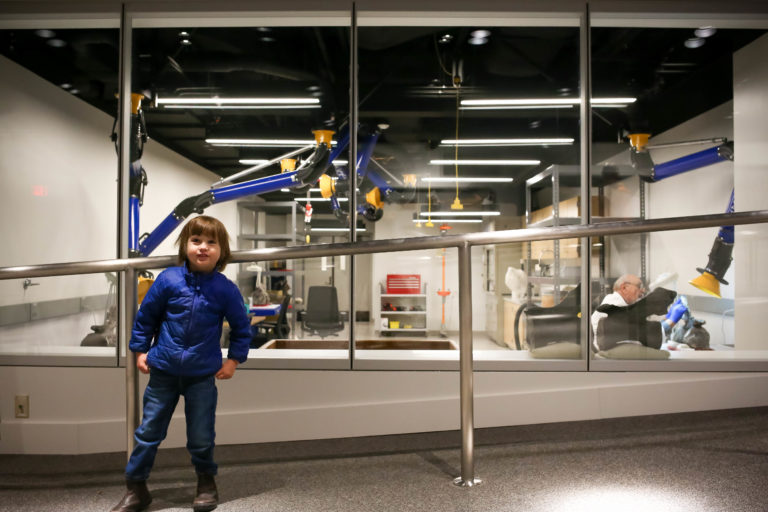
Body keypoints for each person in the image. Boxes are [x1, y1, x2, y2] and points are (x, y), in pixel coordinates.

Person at [111, 215, 251, 512]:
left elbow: (241, 327)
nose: (203, 247)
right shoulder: (168, 280)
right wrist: (139, 351)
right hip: (163, 371)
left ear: (222, 250)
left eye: (211, 242)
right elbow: (145, 318)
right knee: (148, 432)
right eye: (196, 241)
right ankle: (136, 488)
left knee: (201, 435)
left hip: (202, 375)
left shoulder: (225, 289)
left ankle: (206, 483)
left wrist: (234, 361)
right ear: (185, 246)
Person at [591, 273, 687, 351]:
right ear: (624, 288)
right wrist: (671, 321)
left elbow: (639, 325)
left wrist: (667, 318)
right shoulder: (616, 304)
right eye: (639, 286)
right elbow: (641, 333)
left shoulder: (619, 303)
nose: (643, 290)